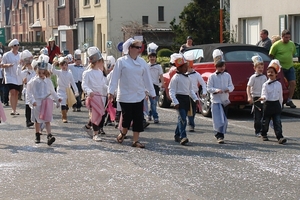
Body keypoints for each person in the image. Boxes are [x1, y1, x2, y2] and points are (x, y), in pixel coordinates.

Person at [108, 38, 156, 148]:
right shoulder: (121, 61)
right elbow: (114, 78)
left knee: (138, 118)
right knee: (127, 118)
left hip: (139, 95)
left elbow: (147, 79)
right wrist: (111, 92)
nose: (140, 50)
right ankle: (123, 133)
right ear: (130, 48)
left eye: (141, 47)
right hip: (125, 95)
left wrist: (152, 93)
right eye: (137, 47)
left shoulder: (142, 62)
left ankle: (135, 140)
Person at [26, 60, 61, 145]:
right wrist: (32, 100)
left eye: (43, 73)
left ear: (45, 72)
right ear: (37, 72)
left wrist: (57, 98)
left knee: (47, 120)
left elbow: (52, 91)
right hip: (37, 102)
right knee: (37, 120)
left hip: (46, 102)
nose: (41, 75)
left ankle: (49, 135)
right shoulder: (33, 81)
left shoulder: (48, 81)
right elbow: (28, 92)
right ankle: (37, 134)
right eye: (40, 73)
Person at [168, 53, 199, 145]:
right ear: (179, 68)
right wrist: (175, 101)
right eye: (185, 67)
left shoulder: (188, 78)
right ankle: (183, 136)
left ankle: (177, 134)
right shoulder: (175, 78)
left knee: (182, 118)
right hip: (179, 99)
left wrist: (195, 98)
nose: (187, 68)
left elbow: (190, 90)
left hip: (186, 99)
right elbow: (171, 91)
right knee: (183, 119)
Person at [207, 49, 234, 144]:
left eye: (223, 66)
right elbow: (209, 88)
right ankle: (219, 135)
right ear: (216, 67)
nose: (222, 68)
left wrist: (228, 89)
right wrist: (216, 90)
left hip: (225, 100)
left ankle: (220, 132)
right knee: (218, 118)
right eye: (219, 66)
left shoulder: (227, 75)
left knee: (224, 118)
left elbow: (232, 86)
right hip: (216, 100)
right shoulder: (212, 77)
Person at [258, 59, 287, 144]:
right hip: (268, 104)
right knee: (265, 121)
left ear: (276, 74)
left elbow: (280, 96)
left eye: (272, 72)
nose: (270, 73)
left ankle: (280, 137)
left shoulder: (279, 84)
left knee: (277, 122)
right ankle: (264, 134)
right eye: (268, 72)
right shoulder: (265, 84)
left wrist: (280, 105)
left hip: (276, 104)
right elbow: (264, 94)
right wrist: (263, 98)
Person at [82, 47, 107, 141]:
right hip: (92, 97)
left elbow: (102, 84)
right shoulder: (87, 73)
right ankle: (95, 134)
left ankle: (88, 126)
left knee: (100, 114)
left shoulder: (100, 72)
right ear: (97, 61)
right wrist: (89, 91)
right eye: (101, 61)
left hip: (100, 97)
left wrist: (110, 90)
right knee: (95, 114)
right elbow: (84, 85)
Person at [269, 29, 297, 108]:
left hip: (289, 66)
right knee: (280, 85)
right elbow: (271, 55)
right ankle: (280, 100)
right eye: (286, 38)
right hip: (280, 68)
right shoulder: (276, 45)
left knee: (293, 83)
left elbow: (293, 53)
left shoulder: (291, 44)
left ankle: (289, 100)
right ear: (282, 37)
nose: (287, 39)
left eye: (289, 38)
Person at [51, 56, 78, 123]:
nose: (64, 66)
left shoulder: (69, 74)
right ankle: (64, 117)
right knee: (63, 103)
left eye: (65, 65)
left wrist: (76, 91)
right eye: (62, 65)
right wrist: (53, 64)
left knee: (67, 104)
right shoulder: (59, 72)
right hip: (60, 90)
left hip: (67, 90)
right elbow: (53, 71)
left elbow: (73, 83)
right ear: (60, 66)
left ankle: (64, 112)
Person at [185, 51, 207, 132]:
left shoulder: (197, 74)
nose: (188, 69)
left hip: (194, 94)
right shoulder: (184, 75)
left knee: (193, 110)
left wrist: (204, 92)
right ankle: (191, 124)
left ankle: (191, 120)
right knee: (188, 109)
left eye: (189, 67)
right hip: (186, 94)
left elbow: (203, 84)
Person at [246, 55, 267, 137]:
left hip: (263, 97)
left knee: (264, 116)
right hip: (256, 97)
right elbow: (248, 87)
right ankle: (257, 130)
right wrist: (249, 96)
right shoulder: (253, 77)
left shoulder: (265, 77)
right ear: (254, 68)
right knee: (257, 117)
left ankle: (263, 131)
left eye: (262, 67)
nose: (261, 69)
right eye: (259, 67)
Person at [1, 39, 22, 115]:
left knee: (16, 93)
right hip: (9, 76)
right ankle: (13, 110)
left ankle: (15, 108)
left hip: (18, 76)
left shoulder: (21, 54)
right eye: (15, 46)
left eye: (18, 45)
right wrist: (8, 65)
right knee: (12, 92)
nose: (17, 47)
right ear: (12, 47)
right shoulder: (6, 55)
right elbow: (2, 65)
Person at [16, 50, 36, 127]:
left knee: (35, 105)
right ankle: (28, 120)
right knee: (28, 105)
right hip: (27, 90)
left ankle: (35, 119)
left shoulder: (35, 71)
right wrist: (19, 65)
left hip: (35, 90)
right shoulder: (25, 71)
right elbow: (18, 74)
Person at [146, 42, 165, 123]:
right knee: (151, 103)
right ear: (148, 58)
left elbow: (161, 75)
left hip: (156, 86)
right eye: (150, 57)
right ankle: (155, 116)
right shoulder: (146, 66)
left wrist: (163, 84)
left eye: (153, 57)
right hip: (147, 86)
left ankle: (150, 115)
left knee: (154, 103)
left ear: (156, 58)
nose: (152, 58)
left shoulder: (158, 66)